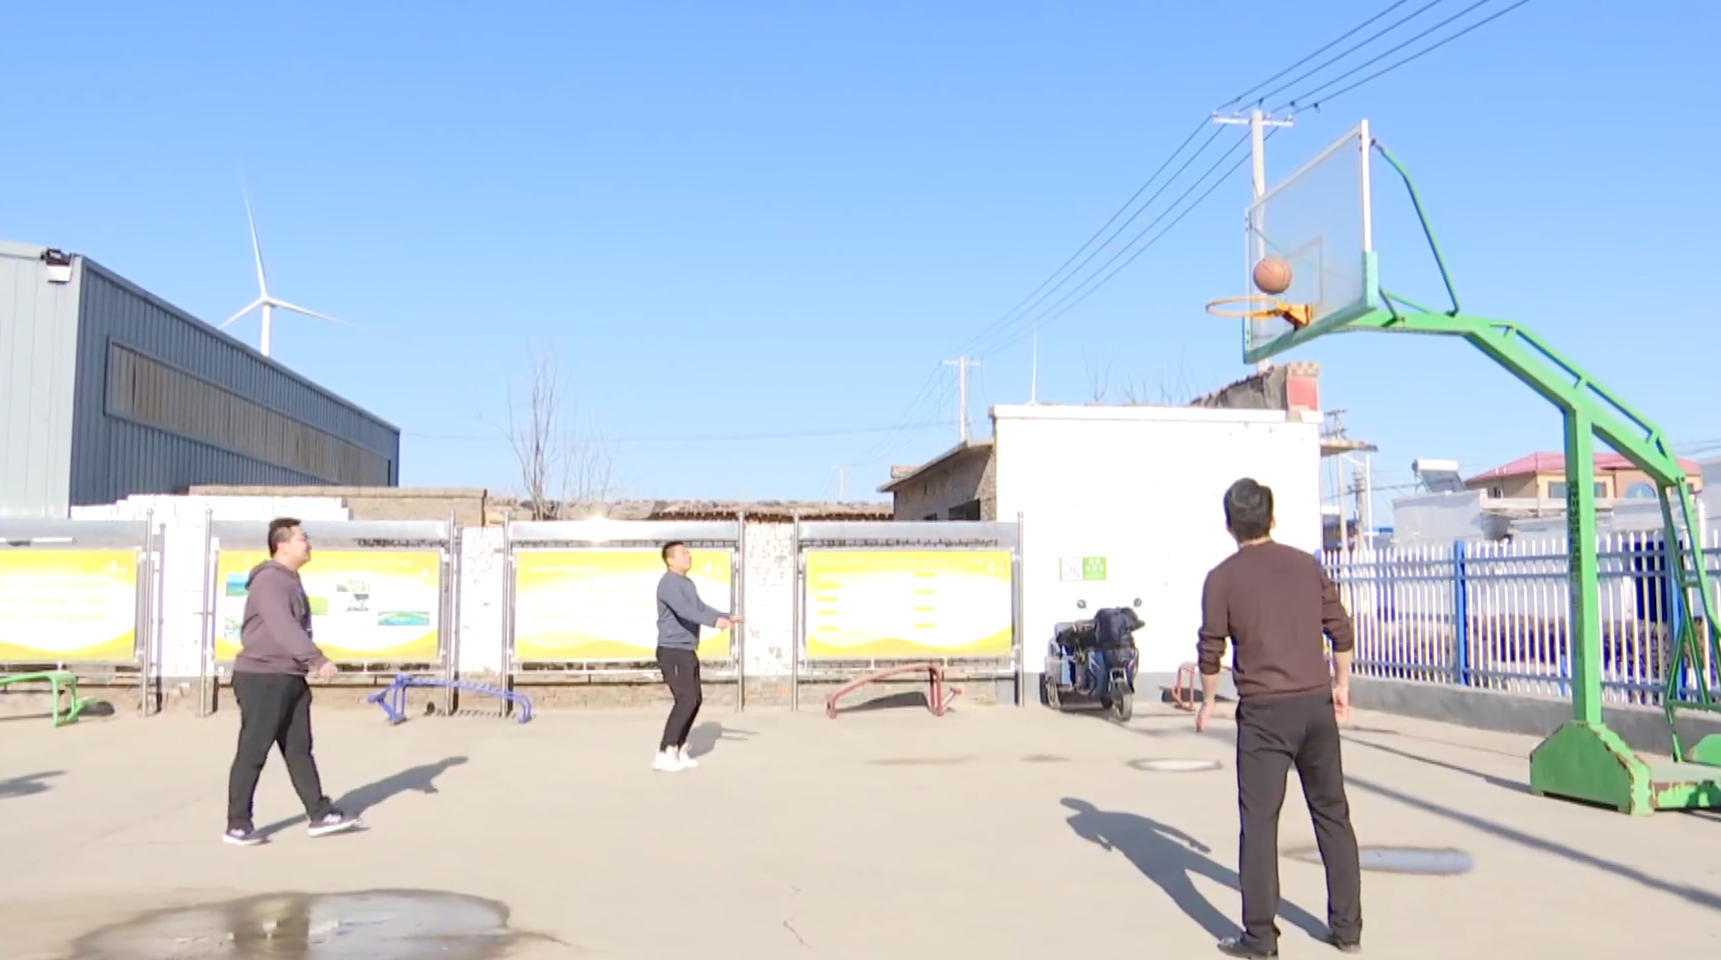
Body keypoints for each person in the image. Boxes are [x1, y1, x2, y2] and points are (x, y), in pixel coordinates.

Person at [1195, 479, 1361, 957]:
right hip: (1315, 705)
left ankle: (1261, 938)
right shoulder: (1306, 565)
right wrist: (1341, 687)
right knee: (1332, 814)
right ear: (1272, 518)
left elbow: (1211, 650)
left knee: (1260, 824)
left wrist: (1209, 701)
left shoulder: (1221, 579)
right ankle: (1347, 930)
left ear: (1229, 525)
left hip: (1264, 714)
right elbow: (1341, 631)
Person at [223, 518, 360, 845]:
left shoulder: (289, 580)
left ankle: (319, 813)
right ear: (282, 546)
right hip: (263, 677)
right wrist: (316, 658)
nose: (308, 544)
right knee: (253, 750)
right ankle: (238, 824)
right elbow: (282, 625)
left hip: (289, 675)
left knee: (299, 749)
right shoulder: (271, 581)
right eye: (302, 538)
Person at [653, 541, 740, 772]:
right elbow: (685, 611)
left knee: (695, 700)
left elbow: (700, 608)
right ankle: (664, 752)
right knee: (685, 700)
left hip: (687, 650)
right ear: (670, 560)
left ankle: (679, 748)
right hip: (672, 651)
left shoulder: (687, 583)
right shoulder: (668, 583)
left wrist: (725, 616)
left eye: (688, 553)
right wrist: (714, 622)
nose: (688, 556)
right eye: (683, 553)